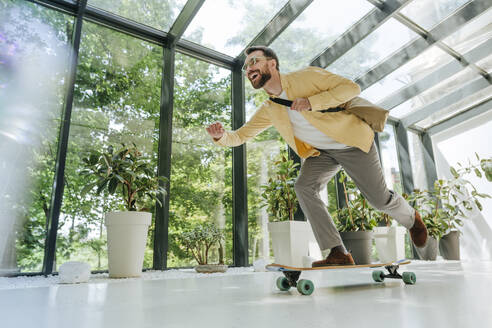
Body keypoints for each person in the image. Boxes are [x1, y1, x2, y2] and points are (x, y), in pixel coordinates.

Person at [206, 46, 428, 267]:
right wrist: (221, 136)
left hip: (351, 141)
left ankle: (412, 219)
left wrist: (312, 102)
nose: (248, 68)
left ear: (272, 64)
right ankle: (338, 252)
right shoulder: (270, 107)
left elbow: (351, 88)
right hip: (321, 153)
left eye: (254, 61)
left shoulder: (307, 77)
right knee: (304, 186)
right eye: (246, 66)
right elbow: (240, 136)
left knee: (379, 200)